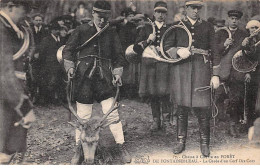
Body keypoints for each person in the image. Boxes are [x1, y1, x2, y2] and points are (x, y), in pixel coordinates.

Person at [62, 0, 131, 164]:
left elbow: (119, 56)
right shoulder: (81, 30)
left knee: (111, 112)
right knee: (82, 116)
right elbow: (68, 50)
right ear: (93, 14)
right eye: (99, 17)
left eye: (105, 17)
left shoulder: (111, 32)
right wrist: (70, 67)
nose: (102, 20)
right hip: (83, 78)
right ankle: (79, 148)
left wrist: (117, 72)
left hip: (105, 78)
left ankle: (121, 146)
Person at [164, 0, 220, 157]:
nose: (196, 10)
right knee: (181, 108)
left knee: (203, 108)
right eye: (193, 8)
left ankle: (204, 143)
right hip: (181, 70)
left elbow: (215, 50)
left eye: (198, 8)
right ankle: (181, 142)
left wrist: (215, 74)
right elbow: (166, 47)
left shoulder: (208, 26)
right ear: (186, 8)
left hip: (202, 70)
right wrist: (177, 51)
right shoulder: (176, 26)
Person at [0, 0, 35, 164]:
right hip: (6, 96)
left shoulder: (12, 29)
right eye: (23, 11)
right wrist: (24, 106)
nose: (25, 16)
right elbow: (4, 73)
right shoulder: (1, 30)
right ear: (10, 7)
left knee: (8, 149)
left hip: (10, 95)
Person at [132, 1, 172, 132]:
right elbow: (136, 48)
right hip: (150, 66)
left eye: (163, 12)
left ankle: (166, 120)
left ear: (166, 14)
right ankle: (156, 120)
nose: (161, 15)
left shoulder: (170, 29)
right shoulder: (146, 28)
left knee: (165, 93)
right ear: (154, 13)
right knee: (153, 93)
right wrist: (148, 40)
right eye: (158, 12)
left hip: (165, 65)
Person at [215, 10, 249, 137]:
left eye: (236, 19)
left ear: (239, 20)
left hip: (237, 71)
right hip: (223, 70)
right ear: (228, 19)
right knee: (219, 96)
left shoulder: (243, 34)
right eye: (232, 18)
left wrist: (247, 45)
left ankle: (232, 125)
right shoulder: (221, 33)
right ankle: (217, 118)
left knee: (236, 98)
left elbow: (248, 54)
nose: (234, 21)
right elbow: (214, 50)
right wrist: (223, 45)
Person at [39, 23, 65, 104]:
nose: (57, 31)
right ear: (52, 30)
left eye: (58, 30)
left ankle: (57, 99)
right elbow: (42, 53)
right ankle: (48, 99)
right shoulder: (46, 40)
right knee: (51, 82)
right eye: (56, 30)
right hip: (49, 64)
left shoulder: (62, 39)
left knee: (59, 81)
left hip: (60, 64)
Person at [242, 20, 260, 121]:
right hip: (250, 72)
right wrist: (247, 72)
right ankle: (249, 123)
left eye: (256, 28)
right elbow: (243, 57)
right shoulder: (246, 41)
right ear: (248, 29)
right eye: (252, 28)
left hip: (259, 71)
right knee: (250, 98)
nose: (254, 30)